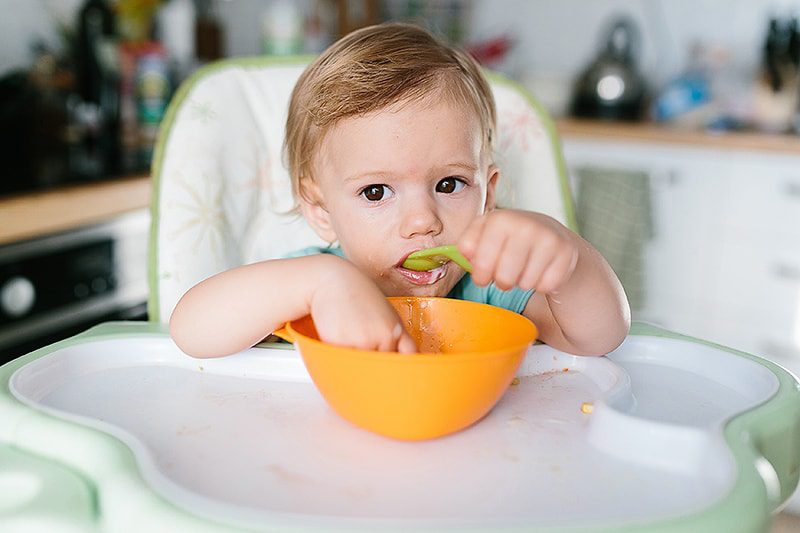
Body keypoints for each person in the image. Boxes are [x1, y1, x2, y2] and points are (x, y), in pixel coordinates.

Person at [170, 23, 630, 358]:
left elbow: (598, 337)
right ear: (320, 208)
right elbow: (191, 330)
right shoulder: (309, 285)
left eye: (449, 184)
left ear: (487, 193)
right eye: (375, 192)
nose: (422, 222)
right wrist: (321, 284)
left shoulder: (490, 289)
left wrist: (567, 259)